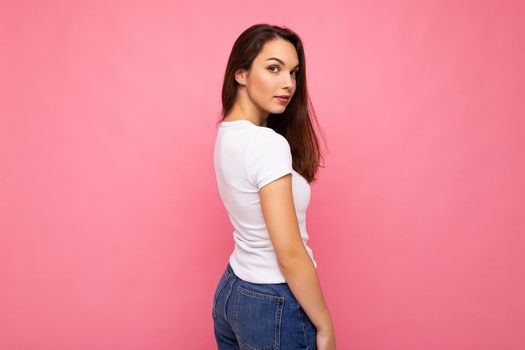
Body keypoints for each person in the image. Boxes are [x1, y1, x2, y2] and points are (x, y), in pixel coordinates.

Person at [212, 23, 336, 350]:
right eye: (273, 69)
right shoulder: (266, 143)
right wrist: (324, 326)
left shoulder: (228, 132)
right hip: (273, 299)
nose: (288, 84)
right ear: (240, 74)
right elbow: (290, 254)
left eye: (293, 73)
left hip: (234, 290)